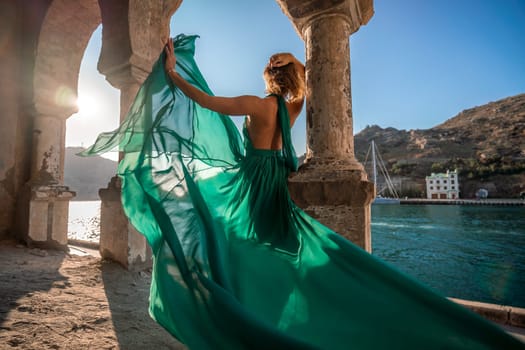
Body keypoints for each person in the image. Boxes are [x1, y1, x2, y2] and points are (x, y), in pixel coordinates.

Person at [82, 34, 524, 349]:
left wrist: (174, 75)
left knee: (226, 235)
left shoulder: (258, 105)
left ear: (270, 76)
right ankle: (276, 305)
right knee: (273, 246)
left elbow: (205, 102)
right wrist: (295, 62)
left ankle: (244, 311)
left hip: (253, 182)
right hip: (277, 182)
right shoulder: (291, 107)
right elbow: (311, 81)